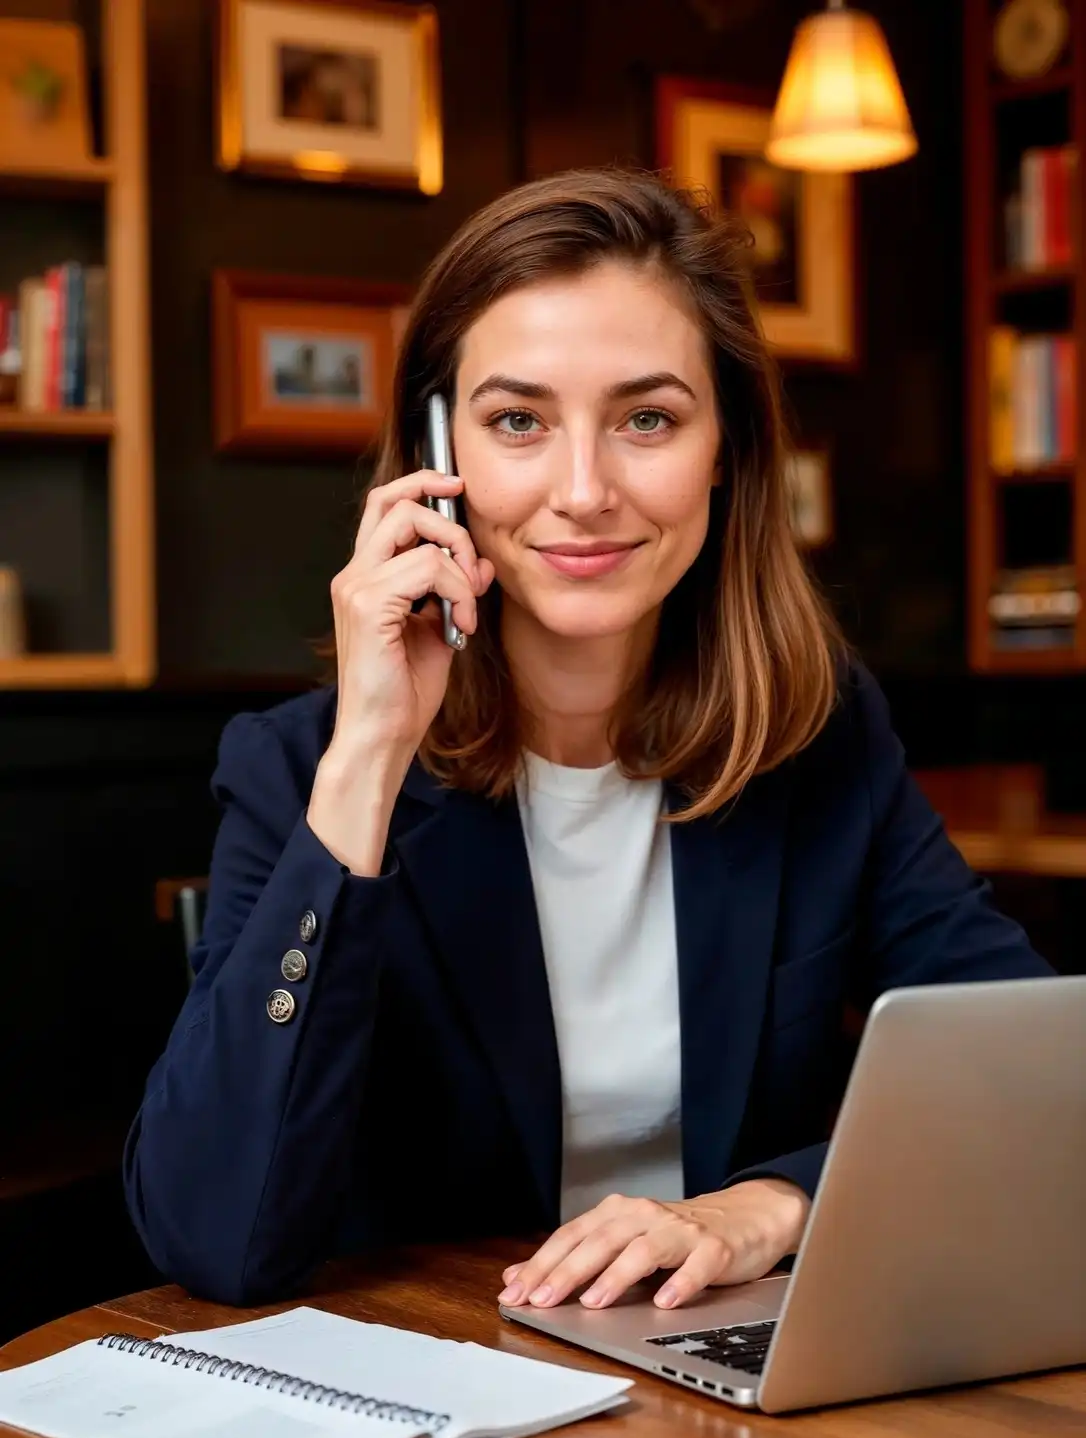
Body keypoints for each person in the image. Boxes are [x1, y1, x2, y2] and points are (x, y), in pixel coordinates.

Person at [124, 168, 1051, 1310]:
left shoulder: (821, 737)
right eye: (518, 421)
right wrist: (369, 751)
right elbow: (213, 1235)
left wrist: (773, 1204)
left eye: (647, 420)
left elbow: (1034, 1086)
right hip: (442, 1398)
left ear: (729, 449)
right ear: (437, 457)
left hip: (717, 1379)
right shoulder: (296, 768)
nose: (582, 491)